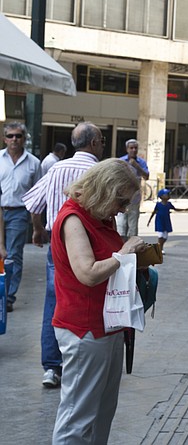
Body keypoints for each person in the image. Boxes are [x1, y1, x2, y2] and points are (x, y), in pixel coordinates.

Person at [50, 159, 147, 444]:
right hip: (85, 329)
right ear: (105, 191)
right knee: (77, 418)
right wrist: (125, 253)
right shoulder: (74, 218)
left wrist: (134, 261)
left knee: (102, 412)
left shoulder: (101, 216)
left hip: (108, 326)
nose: (124, 209)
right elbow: (88, 274)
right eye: (121, 201)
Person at [23, 121, 106, 389]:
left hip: (56, 248)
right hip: (89, 247)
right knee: (88, 300)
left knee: (54, 301)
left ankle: (51, 367)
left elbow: (34, 204)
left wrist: (38, 231)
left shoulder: (56, 168)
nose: (103, 145)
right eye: (102, 140)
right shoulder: (99, 171)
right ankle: (82, 360)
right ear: (93, 143)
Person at [0, 121, 43, 312]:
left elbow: (37, 195)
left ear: (24, 139)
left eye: (18, 136)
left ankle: (8, 297)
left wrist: (37, 226)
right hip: (0, 210)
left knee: (13, 254)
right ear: (4, 139)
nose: (14, 139)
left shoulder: (34, 163)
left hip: (18, 213)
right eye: (10, 136)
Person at [117, 139, 149, 240]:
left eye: (135, 148)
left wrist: (136, 166)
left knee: (133, 225)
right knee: (121, 224)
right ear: (127, 149)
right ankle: (121, 245)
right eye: (131, 148)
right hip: (121, 197)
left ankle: (132, 248)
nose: (133, 150)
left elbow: (146, 176)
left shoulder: (141, 162)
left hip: (135, 197)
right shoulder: (121, 161)